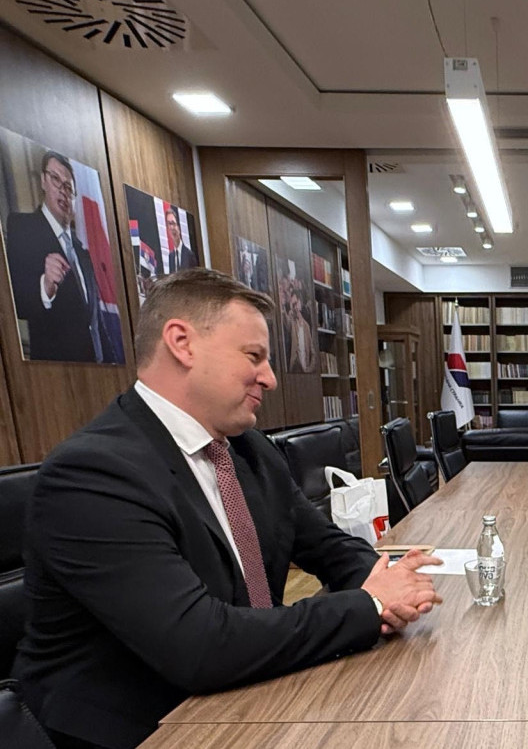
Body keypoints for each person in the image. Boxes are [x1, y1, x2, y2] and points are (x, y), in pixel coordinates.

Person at [13, 268, 442, 749]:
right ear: (182, 343)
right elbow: (197, 644)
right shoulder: (93, 474)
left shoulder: (248, 449)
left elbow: (327, 546)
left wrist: (385, 581)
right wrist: (371, 604)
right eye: (254, 356)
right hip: (145, 728)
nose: (270, 378)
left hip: (247, 695)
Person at [4, 150, 118, 363]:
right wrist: (45, 286)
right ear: (43, 181)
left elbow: (96, 323)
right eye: (55, 179)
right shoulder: (23, 227)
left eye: (68, 187)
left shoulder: (82, 252)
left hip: (99, 370)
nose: (63, 191)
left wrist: (112, 364)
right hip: (57, 372)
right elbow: (16, 303)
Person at [287, 290, 316, 373]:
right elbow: (287, 324)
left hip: (306, 371)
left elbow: (313, 352)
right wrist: (290, 310)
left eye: (296, 303)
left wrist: (309, 369)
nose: (295, 307)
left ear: (300, 302)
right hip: (294, 370)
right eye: (293, 305)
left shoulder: (306, 326)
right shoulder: (292, 322)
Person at [164, 208, 197, 272]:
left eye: (173, 223)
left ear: (179, 227)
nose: (171, 227)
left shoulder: (189, 255)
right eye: (169, 224)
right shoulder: (171, 257)